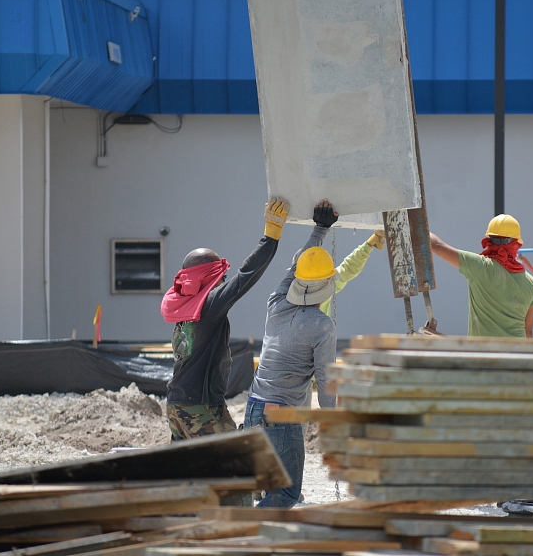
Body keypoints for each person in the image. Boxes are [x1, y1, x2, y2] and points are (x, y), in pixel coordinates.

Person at [160, 197, 290, 441]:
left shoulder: (186, 308)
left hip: (179, 404)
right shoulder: (209, 304)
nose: (223, 282)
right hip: (199, 406)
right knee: (238, 458)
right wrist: (271, 235)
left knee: (190, 472)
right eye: (221, 277)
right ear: (212, 277)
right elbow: (245, 276)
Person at [244, 199, 339, 508]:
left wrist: (320, 229)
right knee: (284, 495)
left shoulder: (276, 301)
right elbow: (326, 385)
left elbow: (297, 263)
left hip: (253, 411)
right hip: (282, 418)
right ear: (328, 285)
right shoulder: (322, 326)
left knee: (274, 491)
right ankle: (243, 539)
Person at [429, 214, 533, 338]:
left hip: (484, 354)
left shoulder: (479, 267)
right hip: (516, 354)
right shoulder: (530, 283)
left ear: (488, 240)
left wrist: (410, 224)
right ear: (517, 243)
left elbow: (435, 244)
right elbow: (528, 332)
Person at [319, 229, 385, 317]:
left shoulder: (320, 287)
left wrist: (370, 243)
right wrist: (369, 244)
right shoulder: (322, 287)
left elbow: (348, 269)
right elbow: (348, 269)